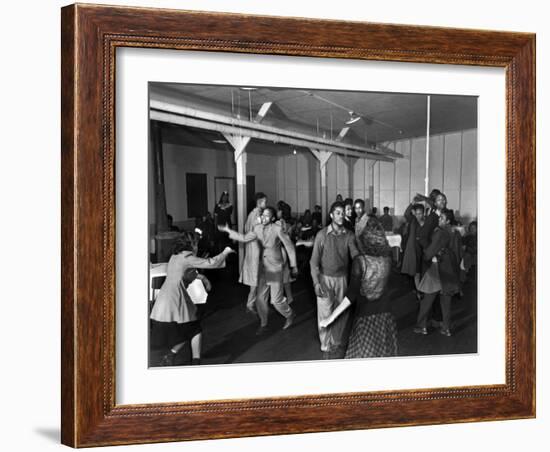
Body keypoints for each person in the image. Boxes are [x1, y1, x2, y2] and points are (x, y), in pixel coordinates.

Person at [319, 218, 398, 358]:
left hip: (365, 319)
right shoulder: (387, 258)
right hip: (386, 317)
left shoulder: (360, 262)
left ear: (364, 239)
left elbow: (351, 296)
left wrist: (330, 318)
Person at [150, 236, 234, 366]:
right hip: (175, 299)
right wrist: (225, 252)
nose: (197, 247)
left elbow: (186, 273)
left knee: (192, 330)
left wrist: (204, 277)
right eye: (196, 244)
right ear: (191, 245)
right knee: (193, 330)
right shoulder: (187, 257)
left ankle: (177, 357)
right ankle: (189, 360)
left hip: (166, 299)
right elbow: (211, 262)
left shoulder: (175, 256)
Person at [219, 207, 297, 334]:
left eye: (267, 216)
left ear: (272, 218)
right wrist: (228, 230)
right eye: (263, 215)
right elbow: (244, 238)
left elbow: (289, 246)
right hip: (263, 267)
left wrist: (294, 265)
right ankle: (263, 323)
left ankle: (290, 315)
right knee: (260, 298)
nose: (264, 217)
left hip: (274, 268)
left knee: (276, 301)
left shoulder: (277, 229)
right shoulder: (257, 228)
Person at [310, 201, 360, 358]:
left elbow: (355, 256)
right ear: (331, 215)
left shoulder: (349, 235)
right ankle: (325, 345)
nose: (340, 215)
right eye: (337, 213)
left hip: (342, 280)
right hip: (325, 278)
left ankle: (336, 342)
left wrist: (363, 263)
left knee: (341, 312)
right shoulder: (322, 235)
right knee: (325, 313)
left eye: (342, 213)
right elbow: (313, 262)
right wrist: (316, 282)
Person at [414, 209, 461, 336]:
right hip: (450, 270)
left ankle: (421, 326)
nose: (439, 220)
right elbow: (458, 254)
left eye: (441, 218)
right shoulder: (456, 233)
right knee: (446, 301)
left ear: (447, 221)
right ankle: (446, 328)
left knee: (427, 299)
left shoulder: (441, 233)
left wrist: (426, 256)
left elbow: (430, 252)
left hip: (437, 269)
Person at [239, 192, 267, 316]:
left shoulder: (252, 214)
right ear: (259, 202)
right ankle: (250, 305)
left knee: (256, 280)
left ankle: (254, 304)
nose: (266, 204)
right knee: (254, 281)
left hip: (254, 250)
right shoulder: (256, 216)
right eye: (264, 202)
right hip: (255, 250)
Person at [400, 202, 425, 278]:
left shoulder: (425, 222)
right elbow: (406, 214)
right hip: (412, 245)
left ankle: (418, 285)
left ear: (423, 213)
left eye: (420, 213)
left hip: (420, 246)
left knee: (419, 266)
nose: (418, 215)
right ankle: (415, 284)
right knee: (413, 266)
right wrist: (412, 203)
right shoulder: (413, 220)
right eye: (416, 213)